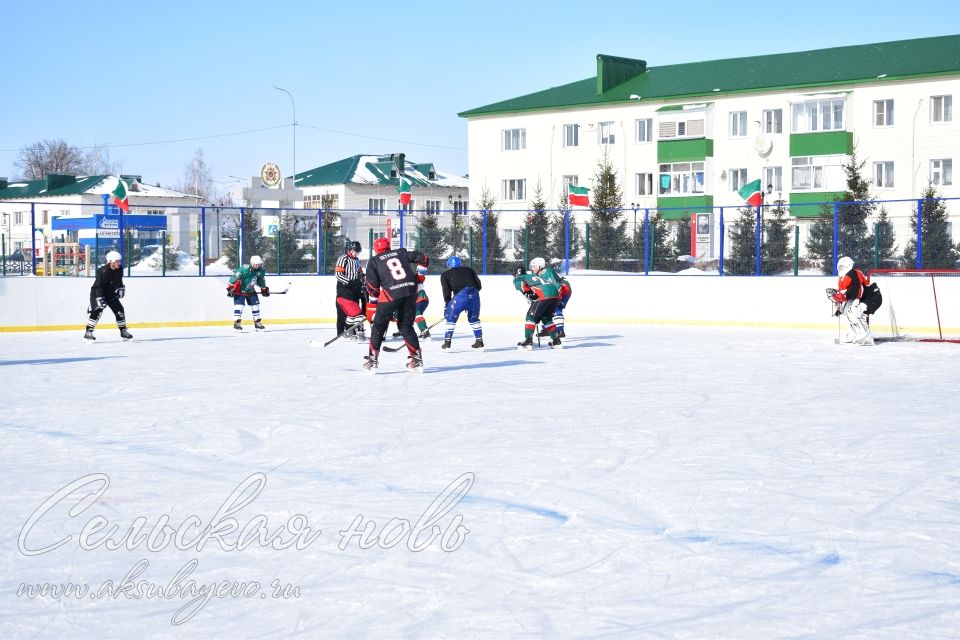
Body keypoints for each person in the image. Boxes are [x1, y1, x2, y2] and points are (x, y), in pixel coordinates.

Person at [363, 237, 429, 372]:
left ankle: (373, 359)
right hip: (410, 292)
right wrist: (420, 276)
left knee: (379, 326)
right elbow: (424, 258)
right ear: (389, 246)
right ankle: (416, 359)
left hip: (390, 295)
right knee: (406, 326)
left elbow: (372, 288)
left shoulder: (374, 261)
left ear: (376, 249)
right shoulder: (401, 252)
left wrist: (374, 305)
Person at [830, 255, 882, 345]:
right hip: (865, 297)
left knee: (855, 312)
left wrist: (842, 297)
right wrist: (839, 305)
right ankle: (855, 334)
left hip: (873, 297)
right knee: (847, 312)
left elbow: (855, 291)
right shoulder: (844, 277)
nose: (839, 268)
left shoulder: (853, 274)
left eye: (841, 266)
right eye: (839, 266)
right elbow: (846, 293)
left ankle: (866, 336)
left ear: (848, 266)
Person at [512, 257, 563, 349]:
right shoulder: (533, 276)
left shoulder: (519, 278)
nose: (532, 268)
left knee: (530, 316)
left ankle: (528, 340)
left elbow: (522, 287)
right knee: (546, 318)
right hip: (554, 296)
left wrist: (529, 294)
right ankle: (556, 340)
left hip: (545, 296)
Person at [84, 250, 132, 341]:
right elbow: (98, 285)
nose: (119, 263)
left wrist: (121, 287)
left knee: (120, 310)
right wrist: (99, 298)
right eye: (117, 261)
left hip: (110, 294)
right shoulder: (103, 271)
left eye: (119, 261)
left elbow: (119, 280)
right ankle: (88, 332)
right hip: (97, 293)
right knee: (97, 311)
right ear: (110, 261)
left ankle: (123, 331)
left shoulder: (120, 269)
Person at [439, 256, 484, 351]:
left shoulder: (446, 274)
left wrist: (447, 305)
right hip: (474, 294)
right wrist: (471, 297)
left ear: (449, 265)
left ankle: (447, 343)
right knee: (474, 318)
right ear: (460, 264)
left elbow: (446, 292)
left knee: (451, 318)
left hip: (460, 297)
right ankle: (479, 341)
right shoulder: (469, 270)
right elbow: (479, 285)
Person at [227, 254, 269, 331]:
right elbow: (234, 278)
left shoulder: (260, 272)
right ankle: (237, 323)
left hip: (251, 291)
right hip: (239, 291)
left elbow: (261, 281)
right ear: (252, 263)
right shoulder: (244, 269)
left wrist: (264, 290)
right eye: (256, 264)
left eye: (259, 264)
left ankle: (257, 323)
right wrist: (230, 288)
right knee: (239, 306)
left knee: (255, 306)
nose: (257, 266)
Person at [335, 241, 366, 342]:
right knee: (342, 312)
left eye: (358, 252)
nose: (356, 253)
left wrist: (362, 279)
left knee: (356, 310)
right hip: (344, 288)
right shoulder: (343, 259)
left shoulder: (357, 260)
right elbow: (338, 275)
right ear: (350, 250)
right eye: (355, 251)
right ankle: (342, 332)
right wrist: (349, 282)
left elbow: (359, 272)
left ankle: (354, 331)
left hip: (355, 288)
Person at [538, 270, 571, 339]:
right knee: (544, 309)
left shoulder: (548, 272)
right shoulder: (539, 274)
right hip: (556, 290)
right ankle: (547, 330)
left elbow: (557, 285)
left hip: (564, 290)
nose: (532, 268)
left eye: (534, 266)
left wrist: (558, 297)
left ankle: (560, 331)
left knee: (556, 309)